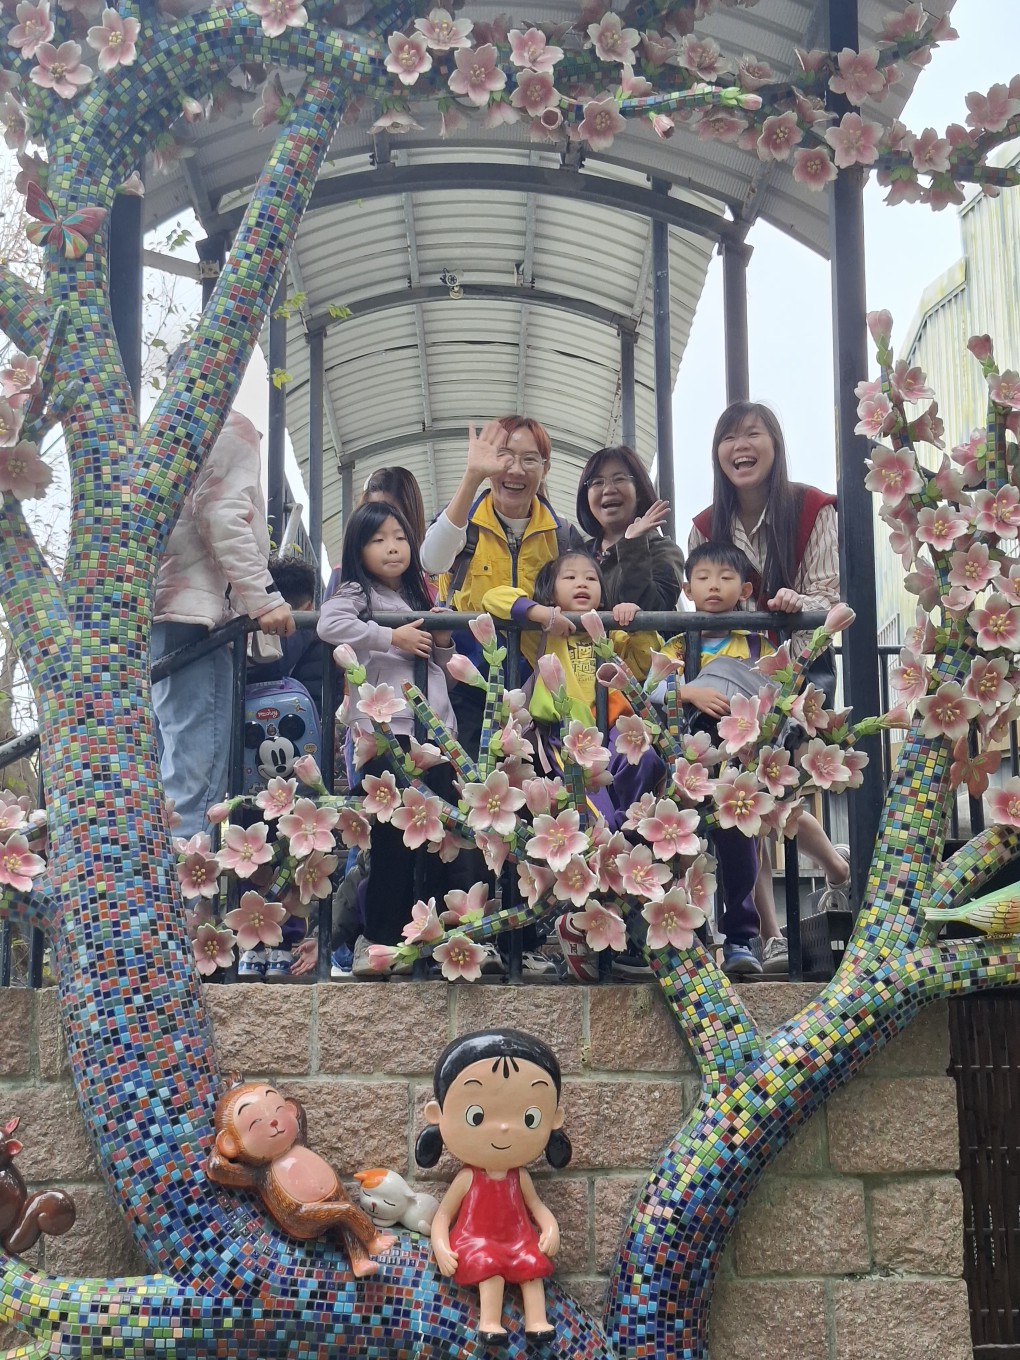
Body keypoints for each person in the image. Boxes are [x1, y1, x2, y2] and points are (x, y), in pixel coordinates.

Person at [689, 402, 850, 974]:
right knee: (738, 801)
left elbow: (830, 597)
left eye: (753, 434)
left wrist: (794, 604)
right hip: (727, 681)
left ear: (775, 444)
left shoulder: (812, 509)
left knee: (770, 794)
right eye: (728, 437)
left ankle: (837, 871)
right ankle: (768, 934)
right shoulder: (705, 524)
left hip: (794, 673)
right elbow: (701, 602)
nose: (741, 446)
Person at [420, 416, 582, 980]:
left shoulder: (562, 534)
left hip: (540, 692)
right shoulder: (466, 520)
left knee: (537, 805)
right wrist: (470, 478)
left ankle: (532, 938)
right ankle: (473, 931)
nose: (515, 469)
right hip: (473, 687)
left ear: (546, 467)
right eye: (505, 457)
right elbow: (432, 561)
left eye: (529, 458)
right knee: (477, 806)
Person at [316, 501, 494, 980]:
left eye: (399, 537)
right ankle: (379, 940)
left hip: (433, 734)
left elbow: (443, 674)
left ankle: (427, 941)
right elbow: (328, 624)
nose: (392, 547)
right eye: (378, 540)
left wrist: (441, 641)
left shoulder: (418, 593)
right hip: (386, 735)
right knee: (392, 842)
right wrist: (389, 637)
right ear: (358, 550)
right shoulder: (357, 592)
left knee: (436, 842)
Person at [483, 550, 664, 982]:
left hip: (616, 734)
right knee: (594, 821)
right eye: (570, 577)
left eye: (591, 578)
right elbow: (493, 597)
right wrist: (542, 614)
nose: (582, 583)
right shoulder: (544, 634)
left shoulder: (609, 632)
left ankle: (618, 876)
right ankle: (587, 924)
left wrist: (632, 620)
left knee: (649, 765)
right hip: (566, 743)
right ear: (551, 591)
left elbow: (647, 656)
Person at [153, 411, 294, 842]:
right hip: (200, 619)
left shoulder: (166, 426)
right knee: (197, 779)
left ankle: (157, 875)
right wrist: (265, 598)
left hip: (161, 612)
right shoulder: (228, 424)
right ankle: (186, 884)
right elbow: (221, 513)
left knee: (168, 775)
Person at [416, 1028, 571, 1344]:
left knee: (532, 1269)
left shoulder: (520, 1177)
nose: (502, 1128)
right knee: (491, 1270)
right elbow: (443, 1216)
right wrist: (441, 1247)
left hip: (518, 1241)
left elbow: (537, 1207)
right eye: (476, 1116)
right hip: (476, 1241)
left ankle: (537, 1321)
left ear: (554, 1119)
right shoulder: (467, 1178)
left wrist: (550, 1228)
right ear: (437, 1115)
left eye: (529, 1117)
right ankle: (489, 1323)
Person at [576, 444, 684, 612]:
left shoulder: (664, 551)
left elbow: (652, 608)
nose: (608, 489)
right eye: (597, 482)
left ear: (638, 491)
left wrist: (633, 545)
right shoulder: (579, 555)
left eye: (619, 479)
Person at [325, 467, 430, 601]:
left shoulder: (431, 579)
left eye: (392, 513)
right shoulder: (343, 578)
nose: (381, 518)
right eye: (372, 511)